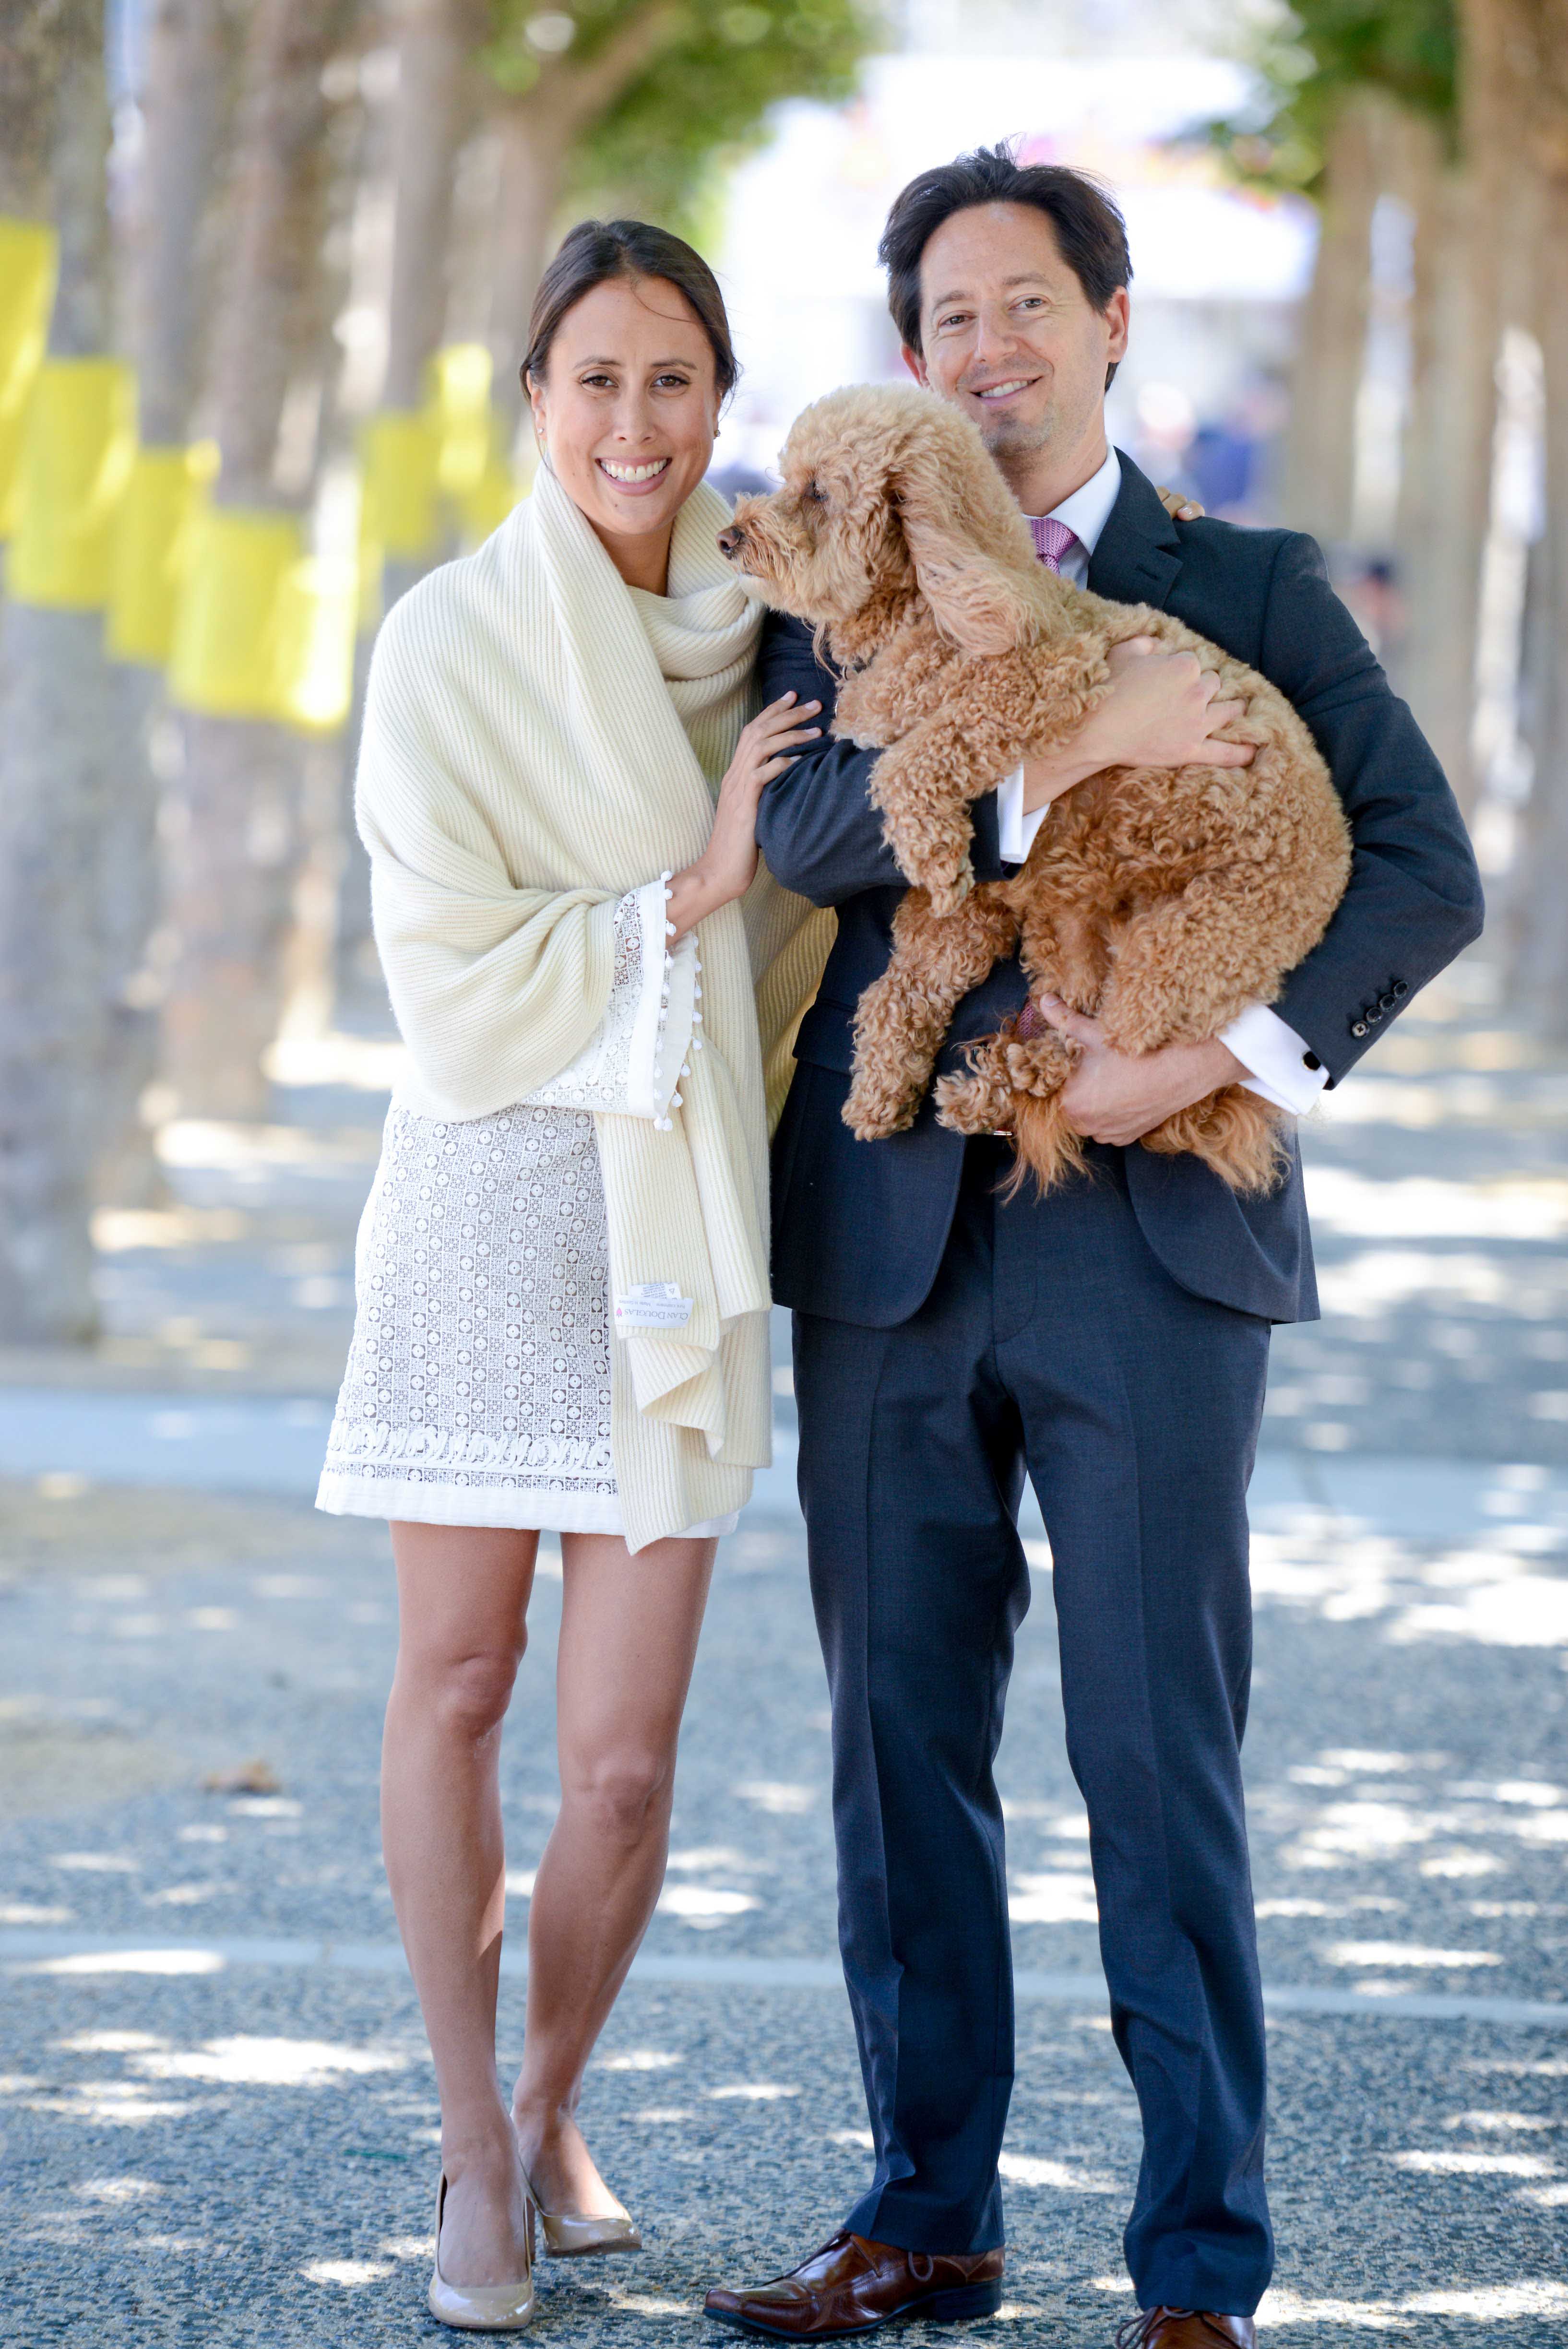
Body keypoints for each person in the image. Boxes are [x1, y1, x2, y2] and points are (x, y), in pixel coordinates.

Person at [703, 147, 1484, 2348]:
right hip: (881, 1247)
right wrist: (1067, 763)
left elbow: (1419, 870)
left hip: (1151, 1232)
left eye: (1029, 305)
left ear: (1111, 322)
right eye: (949, 319)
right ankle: (924, 2215)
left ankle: (1197, 2265)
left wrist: (1210, 1055)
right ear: (909, 360)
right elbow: (821, 818)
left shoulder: (1242, 578)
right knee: (895, 1753)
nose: (992, 348)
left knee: (1158, 1754)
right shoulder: (843, 575)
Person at [316, 218, 835, 2332]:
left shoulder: (783, 647)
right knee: (457, 1685)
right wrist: (692, 881)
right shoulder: (446, 641)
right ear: (534, 400)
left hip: (675, 1220)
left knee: (623, 1756)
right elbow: (447, 991)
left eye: (674, 381)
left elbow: (819, 957)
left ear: (724, 407)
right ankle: (465, 2154)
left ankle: (546, 2106)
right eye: (595, 378)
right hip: (487, 1206)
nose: (635, 421)